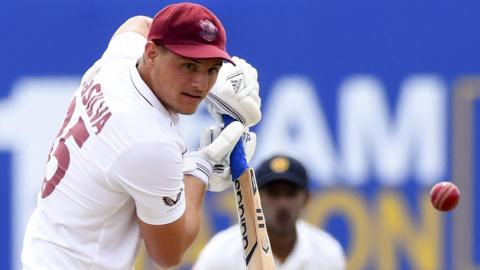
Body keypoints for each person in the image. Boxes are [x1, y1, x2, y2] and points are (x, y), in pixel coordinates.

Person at [21, 2, 261, 269]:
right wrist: (201, 168)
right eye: (189, 66)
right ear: (151, 53)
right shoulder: (149, 141)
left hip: (46, 250)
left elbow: (139, 23)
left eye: (212, 69)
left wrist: (213, 69)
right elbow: (168, 253)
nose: (201, 85)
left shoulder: (119, 62)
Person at [194, 154, 347, 270]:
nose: (283, 203)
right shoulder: (221, 254)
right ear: (255, 199)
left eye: (291, 193)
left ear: (306, 199)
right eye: (273, 193)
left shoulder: (327, 254)